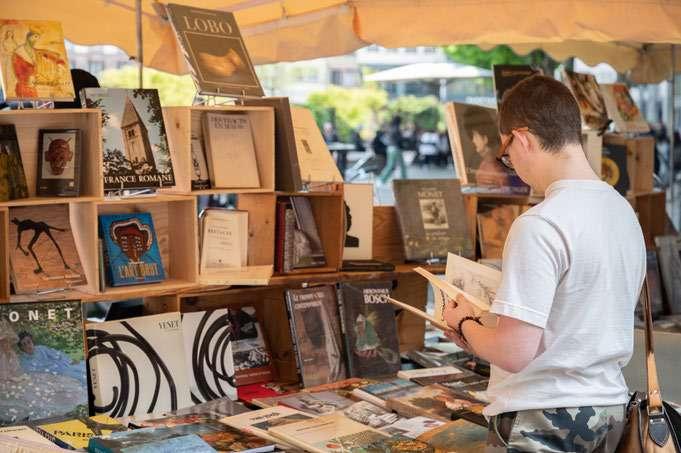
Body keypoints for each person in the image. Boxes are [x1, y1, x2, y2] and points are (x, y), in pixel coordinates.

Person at [443, 75, 646, 452]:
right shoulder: (623, 212)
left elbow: (514, 353)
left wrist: (464, 323)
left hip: (542, 419)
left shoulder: (539, 223)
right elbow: (581, 318)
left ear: (521, 138)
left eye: (506, 154)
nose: (512, 165)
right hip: (610, 411)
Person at [17, 331, 87, 386]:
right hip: (49, 375)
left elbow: (56, 354)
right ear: (21, 348)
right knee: (72, 377)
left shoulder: (41, 349)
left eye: (29, 342)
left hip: (58, 366)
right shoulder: (23, 360)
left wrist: (69, 360)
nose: (28, 346)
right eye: (24, 344)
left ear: (32, 341)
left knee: (78, 369)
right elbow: (30, 372)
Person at [377, 115, 407, 184]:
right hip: (395, 149)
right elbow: (400, 140)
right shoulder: (396, 129)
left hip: (390, 148)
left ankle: (382, 179)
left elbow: (385, 138)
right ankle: (404, 180)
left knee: (391, 165)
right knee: (399, 165)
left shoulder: (390, 128)